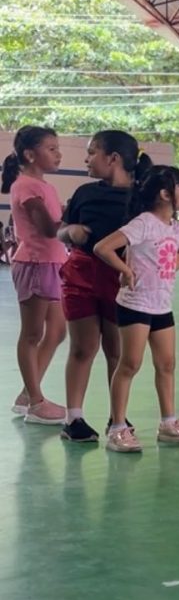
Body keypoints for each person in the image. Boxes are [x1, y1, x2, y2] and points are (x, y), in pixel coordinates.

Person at [94, 164, 179, 452]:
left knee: (167, 364)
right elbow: (103, 247)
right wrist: (126, 270)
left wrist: (169, 268)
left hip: (162, 305)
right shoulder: (143, 223)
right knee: (130, 364)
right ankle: (118, 428)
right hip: (136, 304)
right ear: (165, 194)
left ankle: (168, 424)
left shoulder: (175, 228)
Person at [59, 130, 143, 442]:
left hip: (120, 277)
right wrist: (71, 232)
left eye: (92, 152)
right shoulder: (85, 193)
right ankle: (74, 419)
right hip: (81, 275)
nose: (86, 159)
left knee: (116, 351)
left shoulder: (140, 199)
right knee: (82, 348)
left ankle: (117, 417)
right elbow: (61, 231)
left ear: (113, 158)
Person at [2, 125, 67, 424]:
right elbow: (48, 229)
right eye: (51, 149)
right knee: (32, 334)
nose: (58, 154)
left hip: (52, 263)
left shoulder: (44, 186)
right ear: (30, 155)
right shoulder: (26, 186)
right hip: (36, 264)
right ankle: (37, 403)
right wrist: (76, 217)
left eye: (58, 148)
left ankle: (27, 395)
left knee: (57, 331)